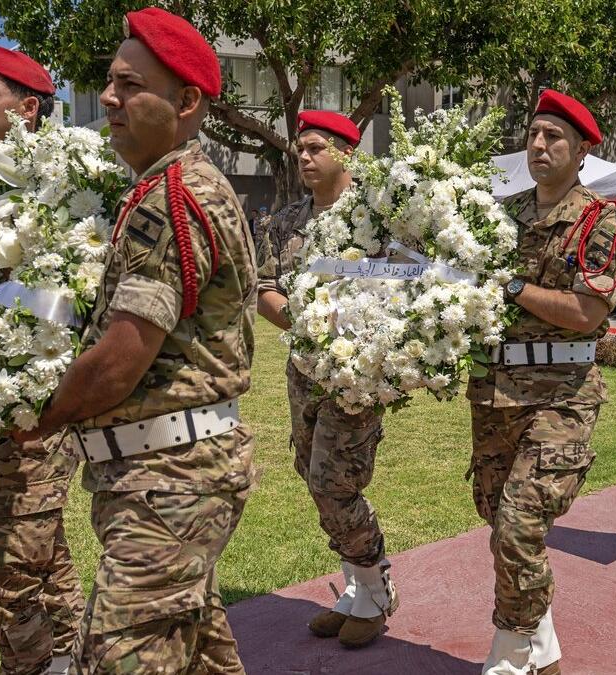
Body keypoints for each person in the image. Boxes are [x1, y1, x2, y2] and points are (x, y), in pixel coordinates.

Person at [13, 9, 257, 672]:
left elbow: (121, 359)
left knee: (117, 657)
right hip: (172, 475)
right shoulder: (166, 188)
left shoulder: (170, 197)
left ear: (185, 102)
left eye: (130, 85)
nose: (111, 98)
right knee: (201, 656)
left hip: (171, 481)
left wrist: (38, 415)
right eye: (110, 82)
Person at [469, 89, 616, 675]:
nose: (538, 145)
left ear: (583, 149)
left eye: (554, 137)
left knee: (518, 526)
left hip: (561, 396)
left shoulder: (604, 219)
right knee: (498, 518)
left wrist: (508, 286)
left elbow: (587, 313)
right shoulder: (499, 216)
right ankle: (543, 652)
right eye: (534, 134)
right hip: (495, 393)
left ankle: (510, 655)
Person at [0, 42, 83, 675]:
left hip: (42, 406)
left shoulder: (61, 190)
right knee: (49, 566)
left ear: (27, 108)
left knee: (1, 574)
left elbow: (72, 300)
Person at [256, 110, 397, 648]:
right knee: (311, 471)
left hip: (356, 375)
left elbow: (405, 285)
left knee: (333, 482)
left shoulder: (378, 218)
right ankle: (359, 586)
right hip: (304, 368)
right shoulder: (288, 220)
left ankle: (375, 589)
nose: (304, 157)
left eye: (316, 147)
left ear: (347, 153)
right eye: (301, 148)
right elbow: (266, 287)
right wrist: (305, 321)